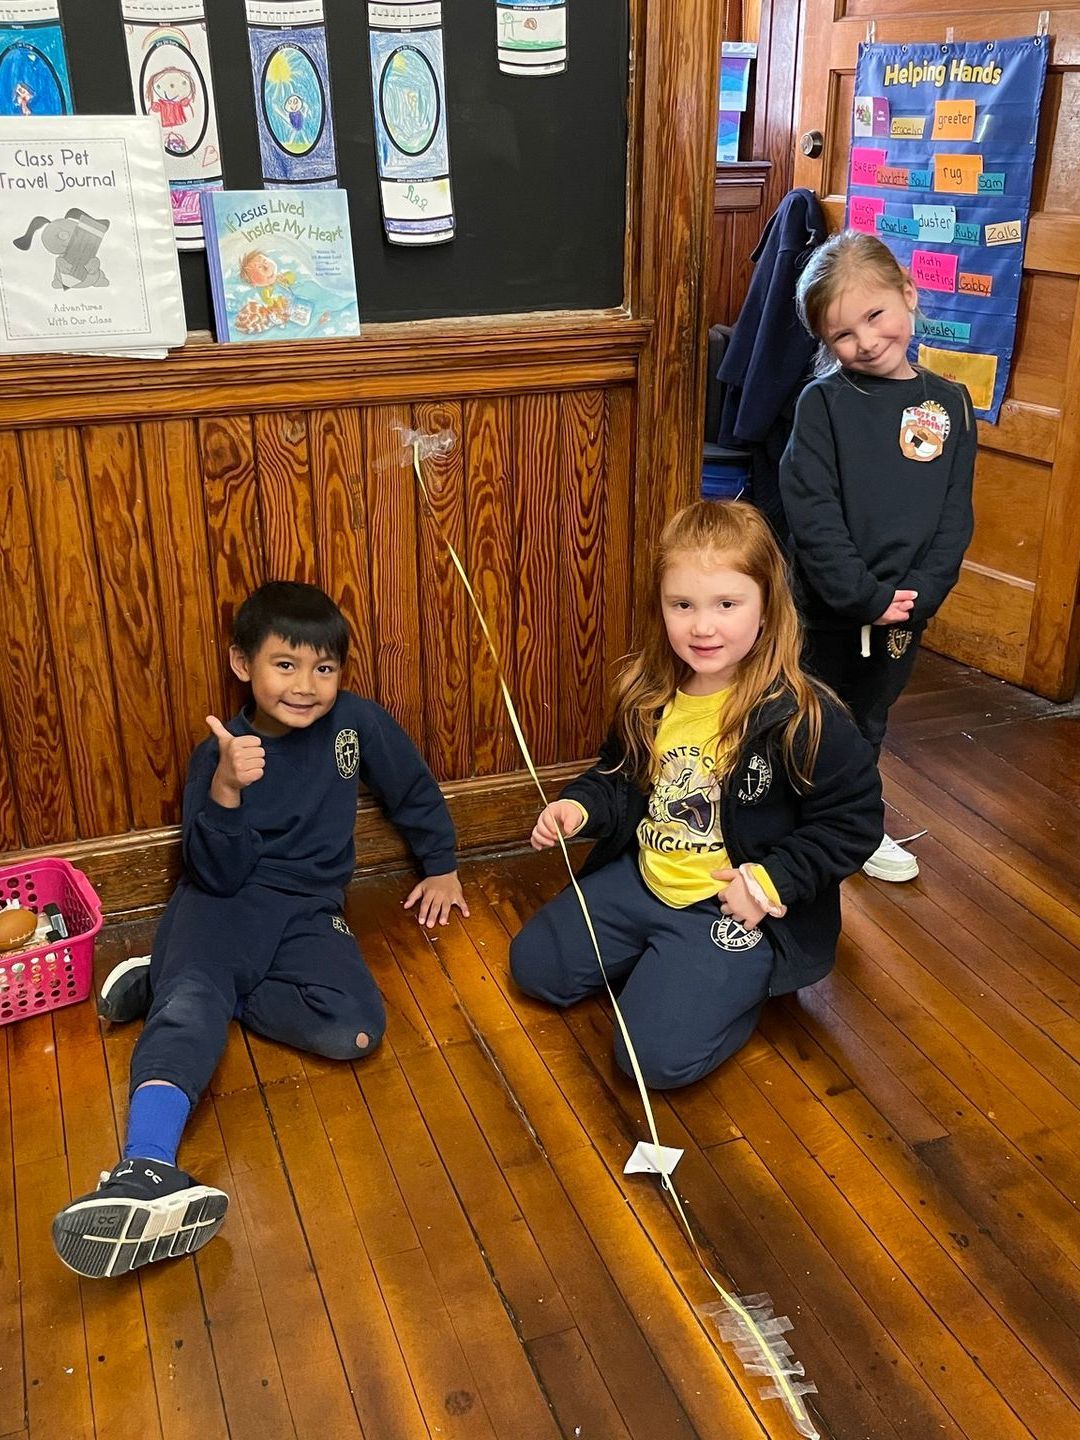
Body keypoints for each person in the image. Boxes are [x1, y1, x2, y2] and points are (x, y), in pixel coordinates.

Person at [52, 582, 468, 1279]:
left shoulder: (355, 726)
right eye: (285, 665)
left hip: (309, 907)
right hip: (223, 900)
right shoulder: (218, 753)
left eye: (324, 669)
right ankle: (143, 1169)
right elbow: (212, 871)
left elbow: (413, 787)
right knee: (194, 1011)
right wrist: (227, 788)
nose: (306, 686)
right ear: (243, 664)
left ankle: (172, 979)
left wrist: (444, 864)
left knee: (354, 1032)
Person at [510, 501, 882, 1091]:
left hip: (729, 907)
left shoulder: (804, 717)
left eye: (726, 605)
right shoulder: (650, 692)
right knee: (535, 971)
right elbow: (619, 773)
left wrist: (772, 880)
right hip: (645, 879)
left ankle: (733, 985)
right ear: (660, 606)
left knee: (651, 1062)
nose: (702, 627)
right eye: (682, 605)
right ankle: (666, 966)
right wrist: (579, 806)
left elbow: (853, 823)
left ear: (768, 607)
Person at [780, 231, 976, 882]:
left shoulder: (950, 405)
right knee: (809, 718)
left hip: (903, 613)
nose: (865, 341)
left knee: (870, 718)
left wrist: (920, 594)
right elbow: (813, 513)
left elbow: (954, 513)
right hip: (827, 611)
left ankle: (857, 824)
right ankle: (795, 824)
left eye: (875, 316)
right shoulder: (824, 405)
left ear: (908, 297)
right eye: (841, 333)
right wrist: (860, 593)